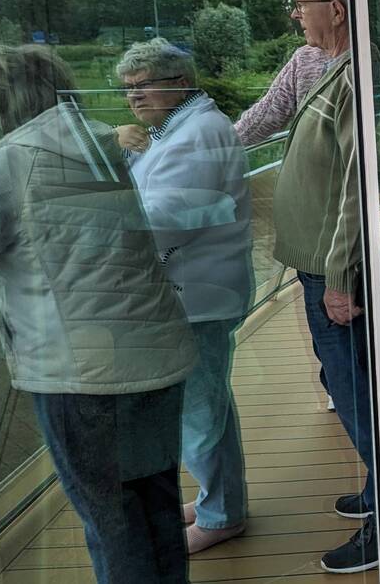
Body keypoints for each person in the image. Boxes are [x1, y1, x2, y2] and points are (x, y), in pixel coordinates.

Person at [0, 45, 197, 583]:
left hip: (83, 374)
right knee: (155, 502)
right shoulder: (99, 141)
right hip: (153, 353)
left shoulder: (14, 163)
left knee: (111, 521)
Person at [115, 39, 253, 553]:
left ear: (179, 84)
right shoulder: (179, 129)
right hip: (196, 291)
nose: (133, 96)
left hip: (198, 295)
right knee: (207, 404)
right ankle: (220, 499)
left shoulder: (197, 134)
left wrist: (103, 234)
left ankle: (222, 516)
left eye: (143, 85)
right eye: (127, 88)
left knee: (200, 410)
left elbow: (164, 220)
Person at [270, 0, 379, 574]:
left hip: (331, 267)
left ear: (335, 11)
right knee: (347, 380)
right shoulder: (326, 66)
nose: (296, 15)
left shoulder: (352, 76)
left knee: (349, 386)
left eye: (302, 4)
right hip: (320, 260)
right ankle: (378, 486)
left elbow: (355, 188)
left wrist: (338, 279)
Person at [233, 40, 329, 146]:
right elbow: (270, 112)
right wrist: (226, 138)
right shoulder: (305, 58)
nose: (304, 32)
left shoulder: (310, 59)